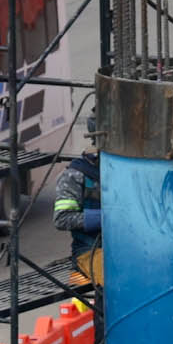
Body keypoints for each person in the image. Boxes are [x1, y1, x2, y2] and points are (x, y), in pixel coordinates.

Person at [53, 115, 103, 289]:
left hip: (126, 247)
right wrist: (105, 218)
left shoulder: (126, 169)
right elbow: (62, 219)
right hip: (89, 251)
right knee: (117, 281)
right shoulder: (76, 175)